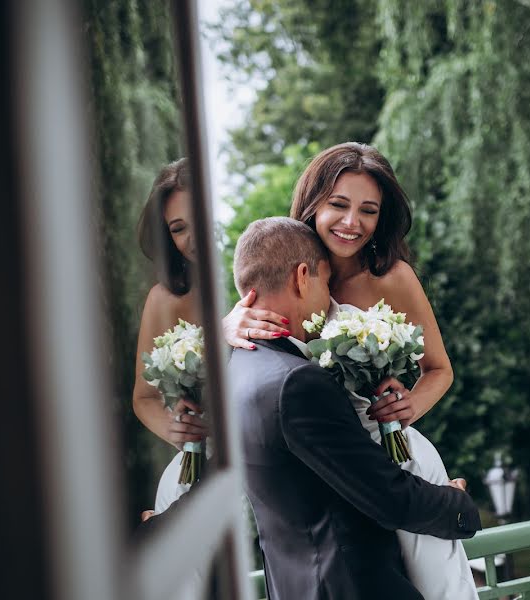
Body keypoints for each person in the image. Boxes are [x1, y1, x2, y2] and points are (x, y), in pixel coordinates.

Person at [219, 143, 478, 598]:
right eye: (338, 204)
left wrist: (407, 405)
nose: (351, 222)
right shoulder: (283, 260)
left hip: (391, 455)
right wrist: (227, 325)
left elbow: (439, 369)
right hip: (319, 478)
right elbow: (260, 367)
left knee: (437, 586)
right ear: (313, 203)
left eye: (369, 210)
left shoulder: (391, 277)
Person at [132, 158, 210, 503]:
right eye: (178, 228)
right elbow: (144, 397)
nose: (192, 239)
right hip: (203, 474)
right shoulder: (166, 299)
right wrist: (178, 431)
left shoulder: (265, 269)